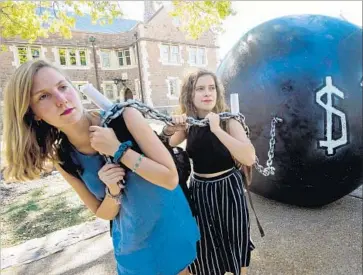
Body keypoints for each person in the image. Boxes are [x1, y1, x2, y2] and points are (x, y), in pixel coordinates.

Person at [2, 59, 200, 275]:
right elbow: (102, 212)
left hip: (169, 233)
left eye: (62, 87)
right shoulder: (64, 158)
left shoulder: (125, 118)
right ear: (33, 114)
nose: (61, 100)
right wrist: (112, 192)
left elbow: (170, 178)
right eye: (43, 96)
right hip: (131, 249)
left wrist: (119, 150)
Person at [162, 69, 256, 275]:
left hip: (228, 190)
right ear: (190, 95)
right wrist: (170, 128)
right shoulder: (189, 123)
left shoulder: (228, 120)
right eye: (200, 89)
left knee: (235, 242)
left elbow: (249, 157)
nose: (207, 93)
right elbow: (165, 144)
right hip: (201, 191)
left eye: (212, 88)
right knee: (205, 247)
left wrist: (217, 129)